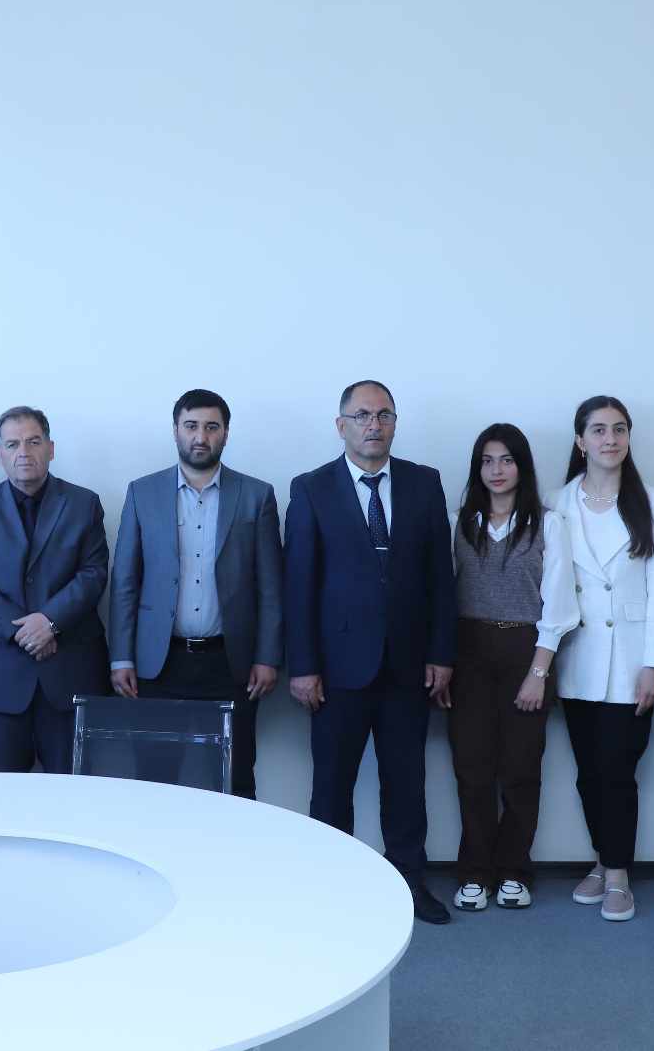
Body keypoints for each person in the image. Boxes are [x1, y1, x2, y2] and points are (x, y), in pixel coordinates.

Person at [285, 380, 458, 925]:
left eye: (384, 415)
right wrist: (303, 666)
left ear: (394, 423)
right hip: (336, 670)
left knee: (406, 784)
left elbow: (441, 577)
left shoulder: (424, 483)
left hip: (409, 665)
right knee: (331, 787)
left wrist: (442, 653)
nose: (373, 425)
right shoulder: (311, 488)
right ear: (342, 426)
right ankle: (330, 890)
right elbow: (299, 583)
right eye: (362, 415)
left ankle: (409, 884)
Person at [109, 390, 284, 799]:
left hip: (231, 663)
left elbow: (271, 585)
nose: (200, 437)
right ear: (175, 431)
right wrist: (122, 657)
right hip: (159, 663)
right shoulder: (142, 492)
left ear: (226, 433)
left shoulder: (256, 495)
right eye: (191, 426)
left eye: (211, 427)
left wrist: (267, 657)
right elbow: (125, 581)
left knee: (236, 778)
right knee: (154, 778)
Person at [551, 396, 654, 923]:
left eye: (619, 429)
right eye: (599, 430)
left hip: (632, 659)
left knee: (618, 770)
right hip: (577, 655)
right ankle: (603, 862)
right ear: (580, 441)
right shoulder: (556, 503)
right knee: (588, 772)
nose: (610, 439)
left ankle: (619, 874)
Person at [447, 424, 578, 913]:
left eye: (506, 460)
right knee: (472, 770)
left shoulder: (549, 524)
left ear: (522, 466)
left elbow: (559, 604)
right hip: (468, 654)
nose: (496, 470)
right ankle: (474, 872)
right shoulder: (458, 523)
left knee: (521, 770)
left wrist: (538, 672)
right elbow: (442, 597)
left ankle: (514, 871)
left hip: (527, 651)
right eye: (487, 461)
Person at [0, 406, 110, 773]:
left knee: (74, 792)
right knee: (2, 795)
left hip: (70, 669)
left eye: (33, 441)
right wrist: (23, 631)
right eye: (13, 444)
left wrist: (50, 621)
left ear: (51, 448)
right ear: (0, 454)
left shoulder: (84, 504)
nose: (23, 452)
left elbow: (94, 573)